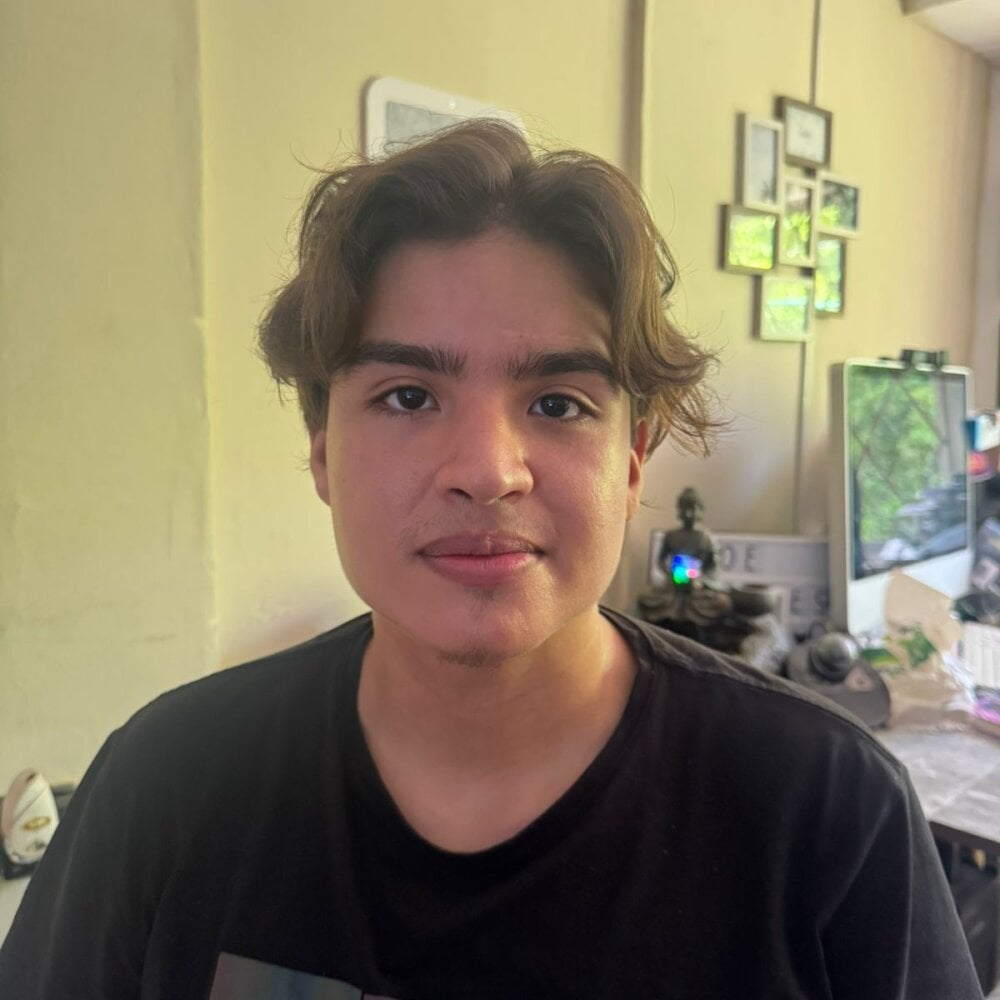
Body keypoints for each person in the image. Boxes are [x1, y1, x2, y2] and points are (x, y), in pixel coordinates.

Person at [0, 121, 982, 999]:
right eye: (406, 396)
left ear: (632, 460)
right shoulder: (166, 786)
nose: (485, 470)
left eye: (558, 403)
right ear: (322, 450)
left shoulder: (827, 814)